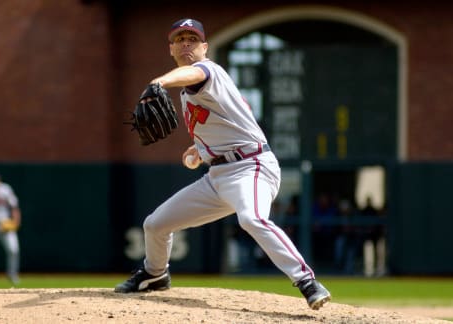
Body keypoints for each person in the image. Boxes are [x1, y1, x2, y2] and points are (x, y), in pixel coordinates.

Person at [114, 18, 331, 310]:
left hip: (251, 167)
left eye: (192, 39)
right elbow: (230, 118)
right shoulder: (187, 93)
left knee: (251, 218)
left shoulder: (209, 70)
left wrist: (158, 81)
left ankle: (307, 281)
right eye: (179, 39)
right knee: (155, 225)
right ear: (171, 48)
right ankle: (155, 274)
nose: (186, 44)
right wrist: (200, 150)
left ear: (205, 47)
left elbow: (195, 73)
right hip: (218, 175)